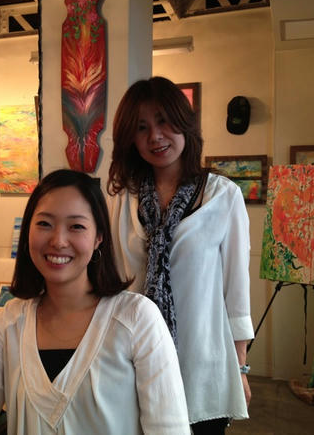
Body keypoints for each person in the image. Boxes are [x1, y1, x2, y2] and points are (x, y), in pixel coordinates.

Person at [0, 169, 190, 435]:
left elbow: (170, 429)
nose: (58, 241)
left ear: (98, 237)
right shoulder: (11, 321)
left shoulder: (136, 317)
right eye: (45, 224)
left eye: (76, 226)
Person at [107, 77, 255, 434]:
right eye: (141, 127)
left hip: (202, 364)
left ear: (184, 122)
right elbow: (115, 281)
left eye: (163, 121)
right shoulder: (123, 198)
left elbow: (236, 292)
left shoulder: (222, 195)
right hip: (134, 359)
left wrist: (240, 368)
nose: (155, 136)